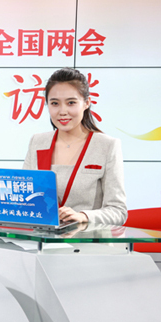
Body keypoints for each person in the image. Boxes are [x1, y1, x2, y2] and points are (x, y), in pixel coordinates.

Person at [23, 67, 127, 226]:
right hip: (42, 236)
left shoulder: (107, 146)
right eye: (55, 103)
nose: (62, 111)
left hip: (88, 238)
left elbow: (118, 211)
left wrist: (83, 216)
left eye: (71, 103)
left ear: (87, 103)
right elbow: (24, 199)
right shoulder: (37, 142)